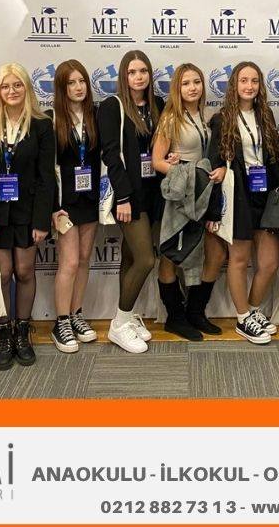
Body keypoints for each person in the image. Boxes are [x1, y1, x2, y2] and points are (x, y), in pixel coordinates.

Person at [0, 63, 55, 370]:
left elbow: (46, 177)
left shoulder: (41, 125)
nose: (12, 91)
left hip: (27, 212)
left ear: (27, 88)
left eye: (17, 85)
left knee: (25, 271)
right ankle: (4, 333)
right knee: (3, 274)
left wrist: (41, 221)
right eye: (5, 86)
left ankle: (22, 332)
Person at [206, 62, 279, 344]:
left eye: (254, 81)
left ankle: (252, 310)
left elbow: (274, 158)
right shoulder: (222, 119)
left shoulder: (266, 115)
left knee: (270, 263)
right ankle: (242, 319)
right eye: (243, 81)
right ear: (234, 85)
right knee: (238, 259)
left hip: (265, 195)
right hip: (238, 195)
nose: (249, 86)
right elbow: (214, 165)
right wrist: (214, 211)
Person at [151, 64, 225, 340]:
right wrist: (184, 171)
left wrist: (221, 169)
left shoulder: (208, 116)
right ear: (177, 88)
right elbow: (158, 161)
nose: (192, 88)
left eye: (196, 82)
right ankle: (174, 317)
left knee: (215, 254)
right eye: (185, 83)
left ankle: (195, 311)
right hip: (180, 198)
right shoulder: (171, 118)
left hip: (207, 195)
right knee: (172, 256)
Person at [99, 50, 166, 353]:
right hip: (129, 195)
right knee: (146, 259)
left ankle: (127, 317)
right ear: (124, 76)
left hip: (154, 192)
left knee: (130, 256)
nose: (138, 77)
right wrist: (123, 197)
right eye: (132, 72)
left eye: (143, 71)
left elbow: (160, 147)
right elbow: (111, 155)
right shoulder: (112, 106)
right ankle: (119, 323)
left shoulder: (157, 104)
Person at [48, 60, 100, 353]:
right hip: (64, 204)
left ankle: (76, 313)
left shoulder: (95, 116)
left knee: (82, 259)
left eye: (82, 81)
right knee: (68, 262)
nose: (78, 87)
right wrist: (53, 206)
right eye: (71, 83)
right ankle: (61, 321)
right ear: (61, 87)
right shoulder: (51, 118)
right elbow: (46, 169)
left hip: (89, 198)